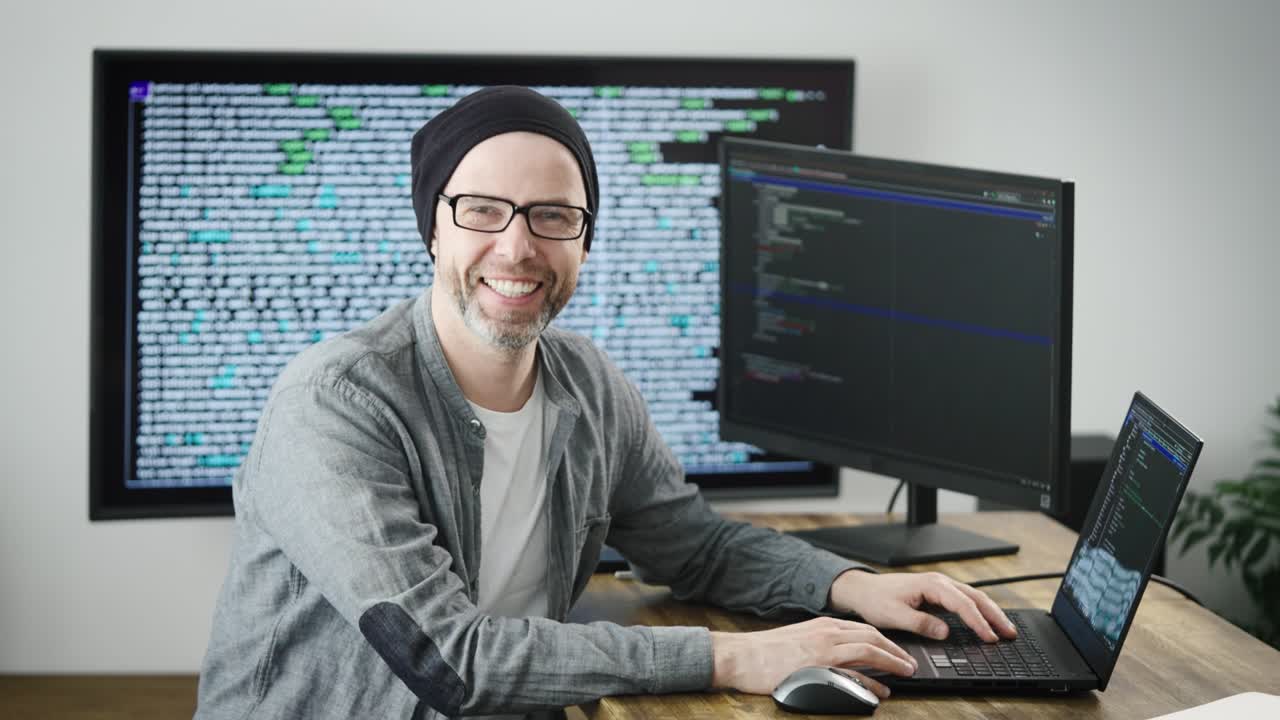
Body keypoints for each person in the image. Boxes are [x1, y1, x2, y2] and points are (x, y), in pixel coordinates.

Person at [194, 86, 1016, 720]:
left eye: (553, 216)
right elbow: (448, 659)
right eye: (482, 211)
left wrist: (848, 584)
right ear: (434, 230)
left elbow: (695, 548)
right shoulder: (335, 404)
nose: (517, 246)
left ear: (584, 241)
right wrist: (734, 658)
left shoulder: (587, 383)